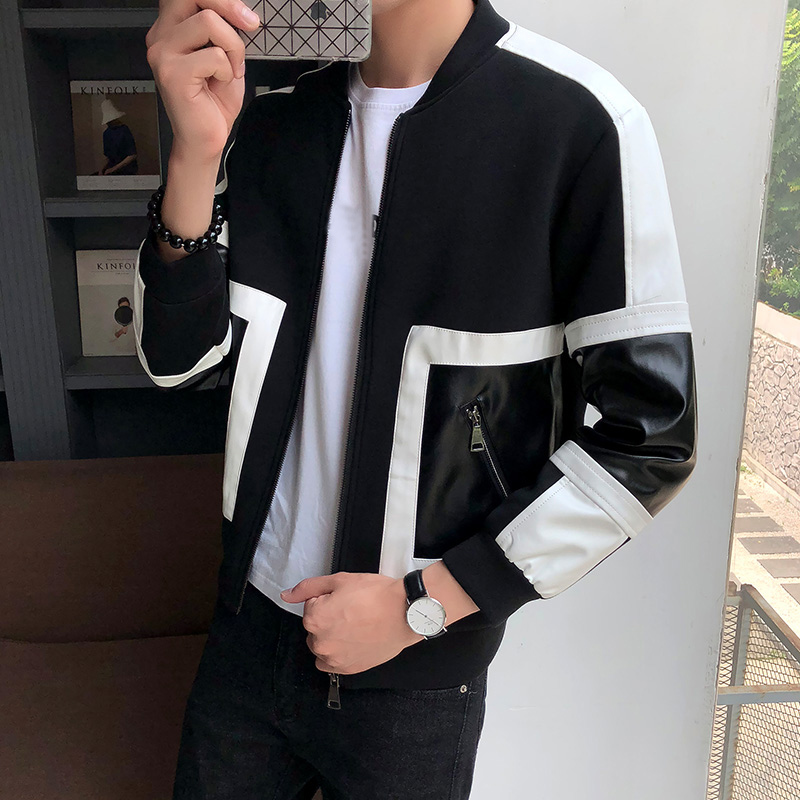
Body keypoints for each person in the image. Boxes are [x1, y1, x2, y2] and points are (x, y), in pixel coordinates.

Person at [134, 0, 698, 797]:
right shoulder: (268, 121)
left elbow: (650, 440)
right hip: (247, 633)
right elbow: (177, 365)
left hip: (417, 667)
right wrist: (193, 155)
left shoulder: (577, 122)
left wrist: (423, 606)